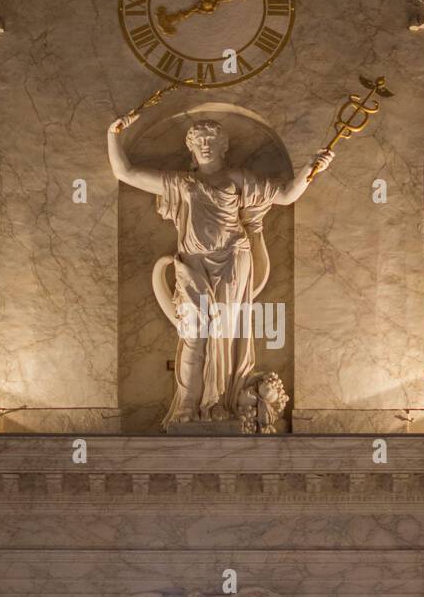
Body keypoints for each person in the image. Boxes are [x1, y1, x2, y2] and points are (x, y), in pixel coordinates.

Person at [107, 111, 333, 426]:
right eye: (199, 141)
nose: (205, 145)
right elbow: (126, 172)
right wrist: (112, 134)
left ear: (224, 146)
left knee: (225, 334)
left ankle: (221, 404)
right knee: (194, 335)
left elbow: (284, 195)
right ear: (190, 147)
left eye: (212, 140)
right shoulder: (180, 182)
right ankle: (188, 404)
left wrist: (312, 168)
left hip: (233, 260)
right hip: (193, 265)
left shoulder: (238, 178)